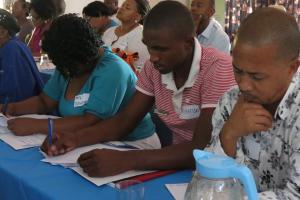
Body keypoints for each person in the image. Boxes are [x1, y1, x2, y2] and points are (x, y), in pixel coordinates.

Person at [42, 1, 236, 177]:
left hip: (218, 173)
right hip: (178, 166)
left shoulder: (217, 69)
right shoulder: (155, 68)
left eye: (161, 49)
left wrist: (128, 160)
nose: (152, 57)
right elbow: (125, 121)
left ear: (188, 42)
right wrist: (74, 139)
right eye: (149, 48)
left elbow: (201, 148)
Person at [4, 14, 160, 151]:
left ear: (84, 54)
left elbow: (90, 121)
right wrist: (8, 108)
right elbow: (44, 101)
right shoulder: (68, 62)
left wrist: (35, 126)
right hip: (88, 139)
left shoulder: (113, 70)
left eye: (68, 66)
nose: (65, 71)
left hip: (131, 144)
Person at [206, 8, 300, 199]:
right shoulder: (230, 101)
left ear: (292, 68)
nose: (244, 85)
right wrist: (229, 134)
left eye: (257, 76)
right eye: (238, 70)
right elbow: (209, 180)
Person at [0, 9, 43, 104]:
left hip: (16, 110)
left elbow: (11, 94)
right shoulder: (12, 45)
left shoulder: (11, 49)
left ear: (3, 32)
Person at [102, 0, 150, 71]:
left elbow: (137, 60)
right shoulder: (110, 30)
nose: (121, 8)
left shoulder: (142, 34)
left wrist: (119, 54)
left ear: (137, 16)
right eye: (122, 6)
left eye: (127, 8)